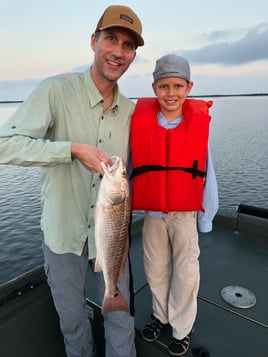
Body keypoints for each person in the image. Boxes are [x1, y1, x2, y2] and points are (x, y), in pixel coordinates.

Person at [0, 5, 144, 357]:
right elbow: (5, 145)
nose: (117, 52)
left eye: (127, 46)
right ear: (94, 41)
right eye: (111, 39)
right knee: (72, 320)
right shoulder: (55, 89)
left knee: (121, 317)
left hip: (113, 239)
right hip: (64, 236)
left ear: (133, 56)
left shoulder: (131, 111)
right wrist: (70, 150)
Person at [130, 54, 218, 356]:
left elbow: (208, 173)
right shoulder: (140, 124)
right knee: (154, 268)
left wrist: (207, 217)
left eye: (178, 86)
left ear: (189, 87)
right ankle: (161, 315)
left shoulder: (197, 126)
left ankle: (181, 327)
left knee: (185, 271)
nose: (171, 93)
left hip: (185, 215)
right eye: (164, 86)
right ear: (154, 88)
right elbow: (131, 168)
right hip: (152, 215)